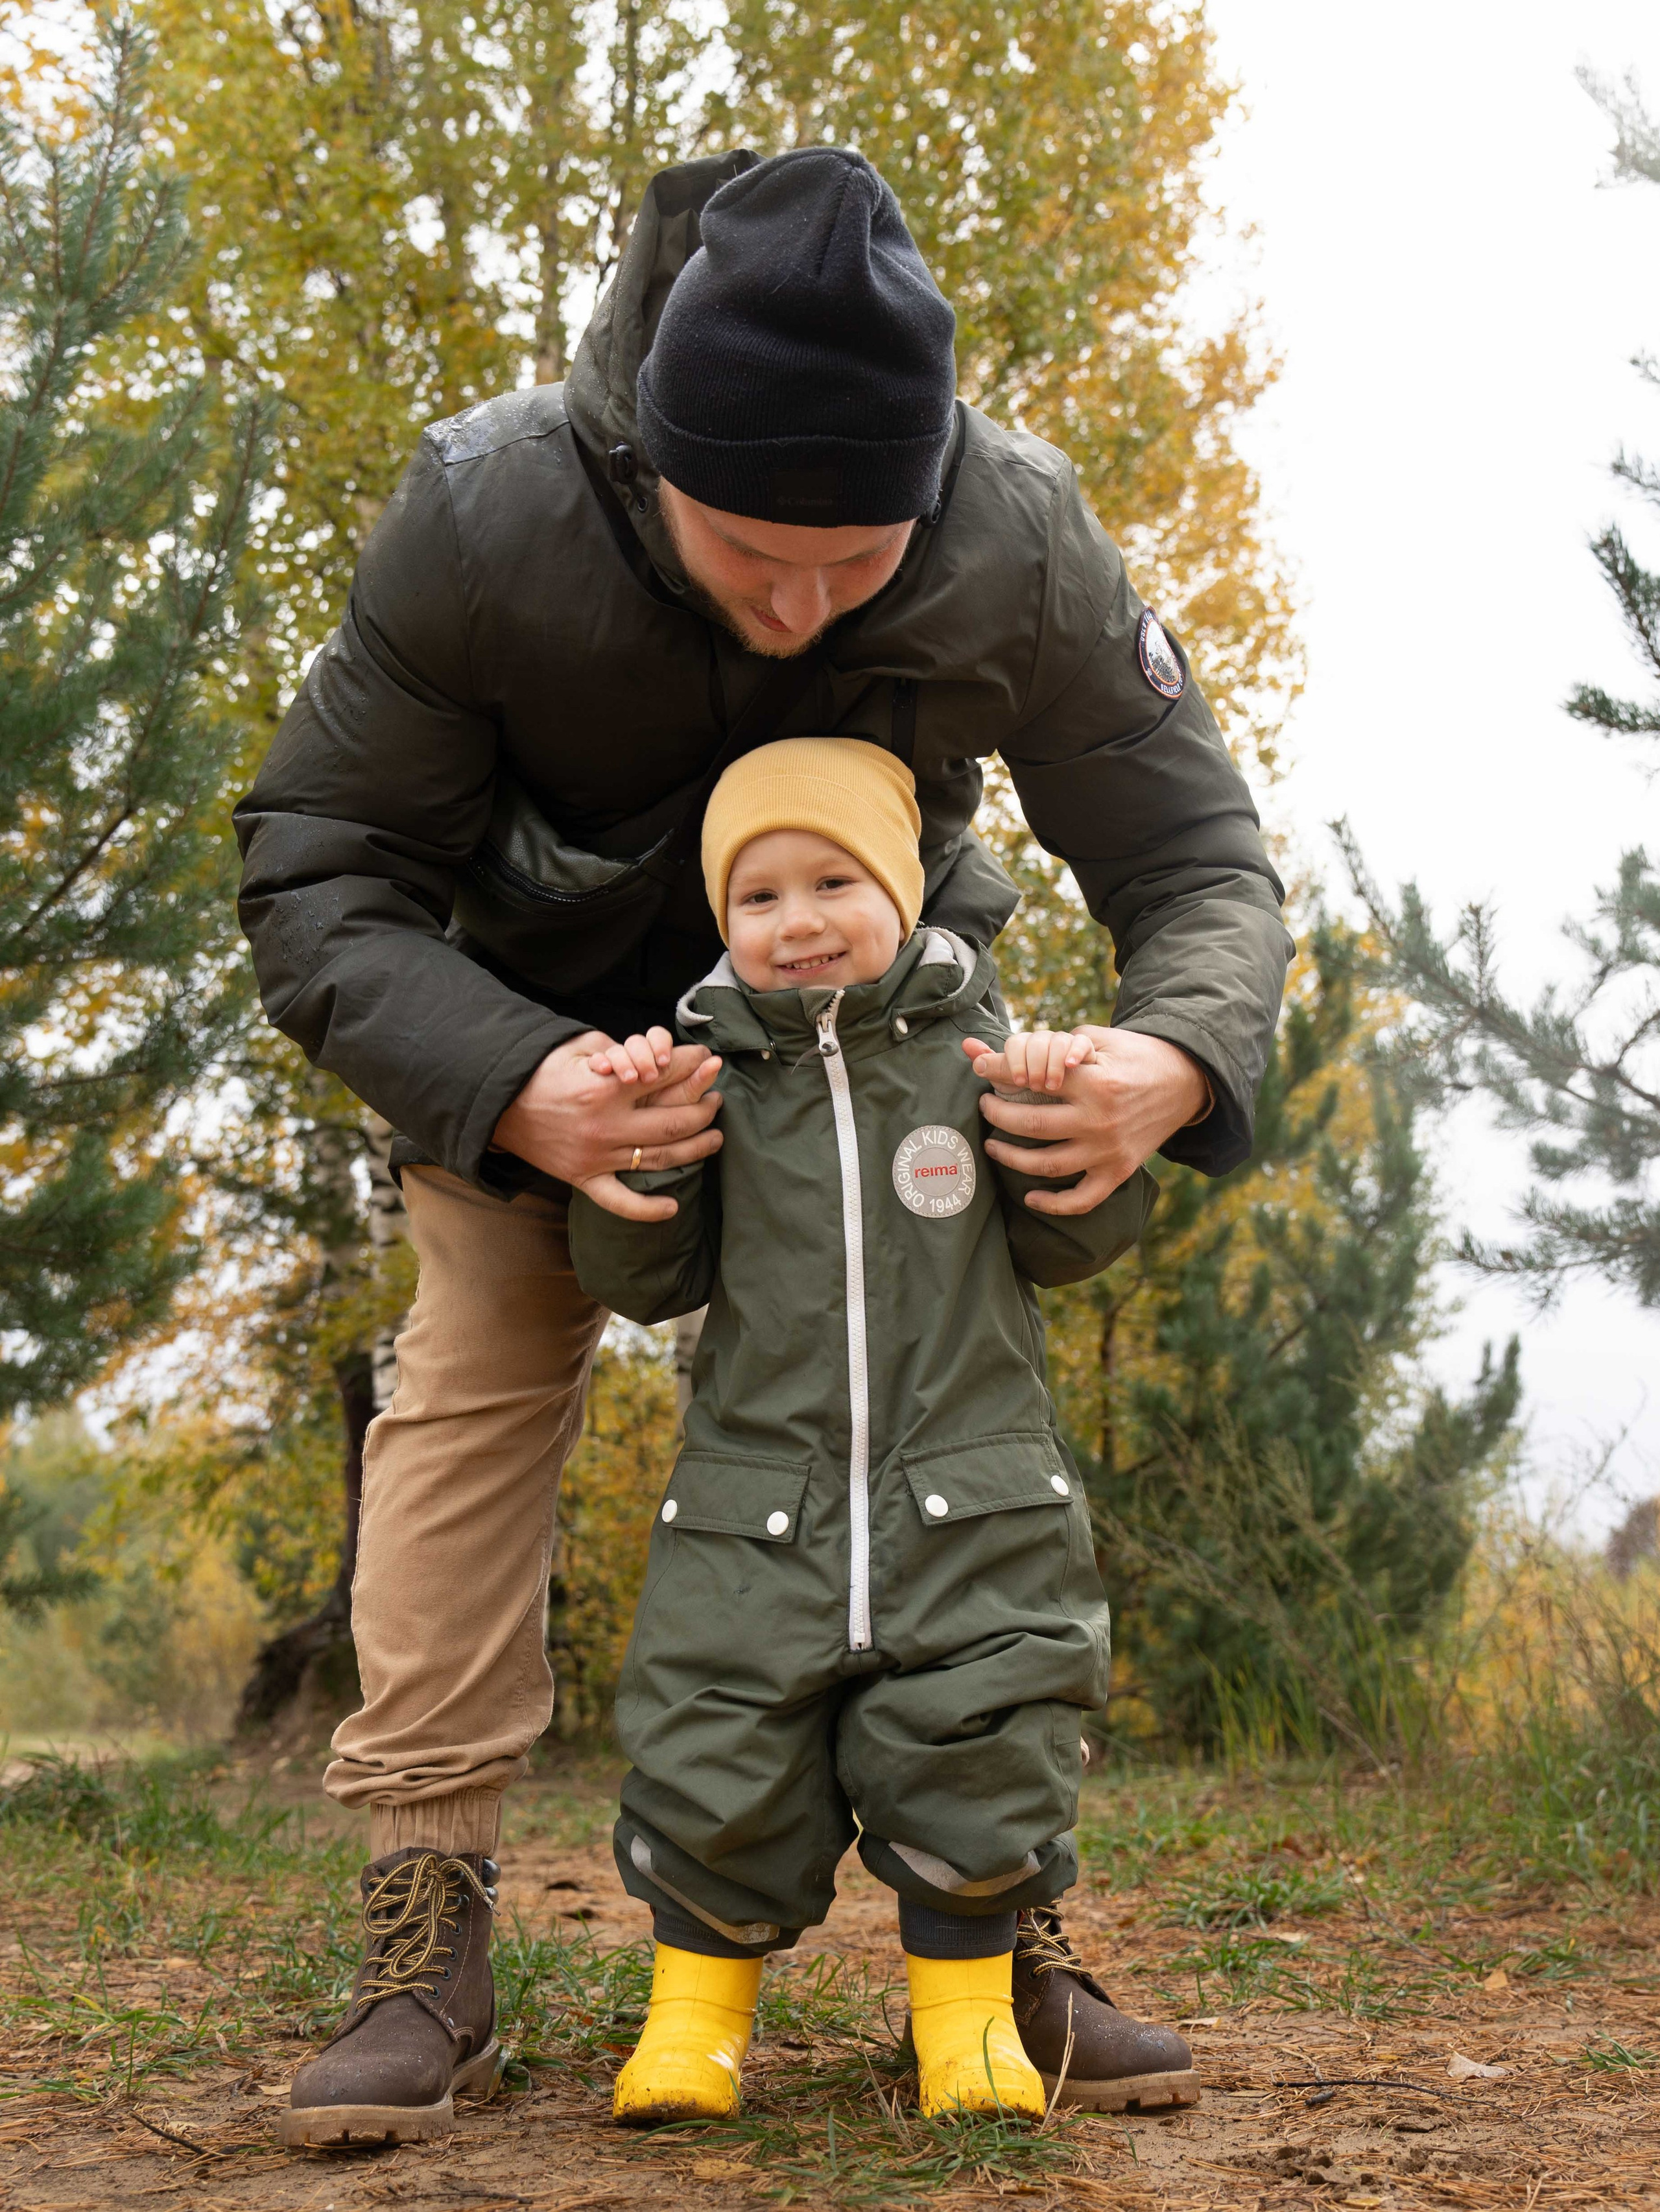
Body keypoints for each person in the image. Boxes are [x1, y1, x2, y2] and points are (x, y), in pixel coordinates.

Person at [239, 144, 1291, 2150]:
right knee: (468, 1386)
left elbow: (1198, 853)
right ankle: (428, 1921)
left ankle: (1001, 1923)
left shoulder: (1026, 536)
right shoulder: (484, 517)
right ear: (651, 468)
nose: (807, 610)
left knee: (954, 1446)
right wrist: (519, 1078)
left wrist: (1172, 1054)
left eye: (861, 559)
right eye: (751, 555)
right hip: (540, 1034)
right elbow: (314, 864)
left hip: (885, 1062)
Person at [564, 737, 1196, 2125]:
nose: (795, 922)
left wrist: (1053, 1105)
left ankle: (965, 2023)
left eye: (832, 879)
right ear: (722, 921)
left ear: (904, 891)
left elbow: (1075, 1238)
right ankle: (691, 2023)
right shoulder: (709, 1074)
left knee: (976, 1738)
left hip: (965, 1492)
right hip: (753, 1501)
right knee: (713, 1741)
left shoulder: (982, 1055)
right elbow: (642, 1277)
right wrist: (640, 1144)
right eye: (758, 896)